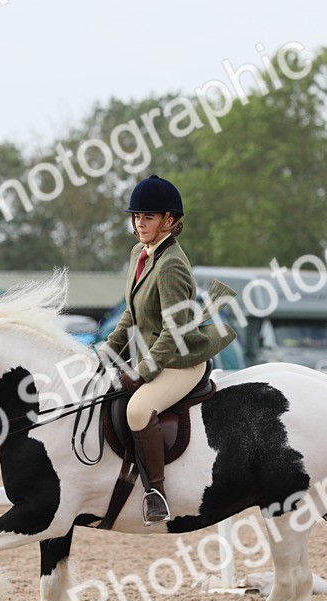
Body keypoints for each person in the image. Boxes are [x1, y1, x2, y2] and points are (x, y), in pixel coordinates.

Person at [99, 174, 237, 525]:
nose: (139, 223)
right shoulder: (139, 254)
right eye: (136, 216)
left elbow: (174, 330)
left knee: (138, 410)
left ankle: (156, 493)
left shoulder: (172, 263)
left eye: (148, 217)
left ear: (170, 222)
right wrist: (103, 354)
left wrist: (142, 372)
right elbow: (131, 315)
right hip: (151, 353)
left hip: (179, 359)